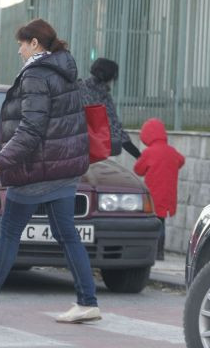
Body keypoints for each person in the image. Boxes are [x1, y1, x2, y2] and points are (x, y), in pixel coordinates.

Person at [0, 18, 101, 324]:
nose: (20, 50)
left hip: (36, 170)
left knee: (9, 233)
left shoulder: (36, 74)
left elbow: (32, 127)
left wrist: (2, 159)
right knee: (68, 236)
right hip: (63, 169)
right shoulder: (64, 70)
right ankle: (87, 301)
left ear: (35, 43)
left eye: (22, 43)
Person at [134, 118, 185, 261]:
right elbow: (181, 160)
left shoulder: (149, 152)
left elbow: (138, 170)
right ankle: (160, 252)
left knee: (151, 223)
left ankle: (151, 251)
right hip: (167, 193)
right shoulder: (171, 151)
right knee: (161, 222)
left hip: (152, 193)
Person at [78, 58, 141, 159]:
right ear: (109, 76)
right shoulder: (103, 97)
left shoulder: (77, 87)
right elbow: (115, 128)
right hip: (88, 152)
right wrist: (138, 155)